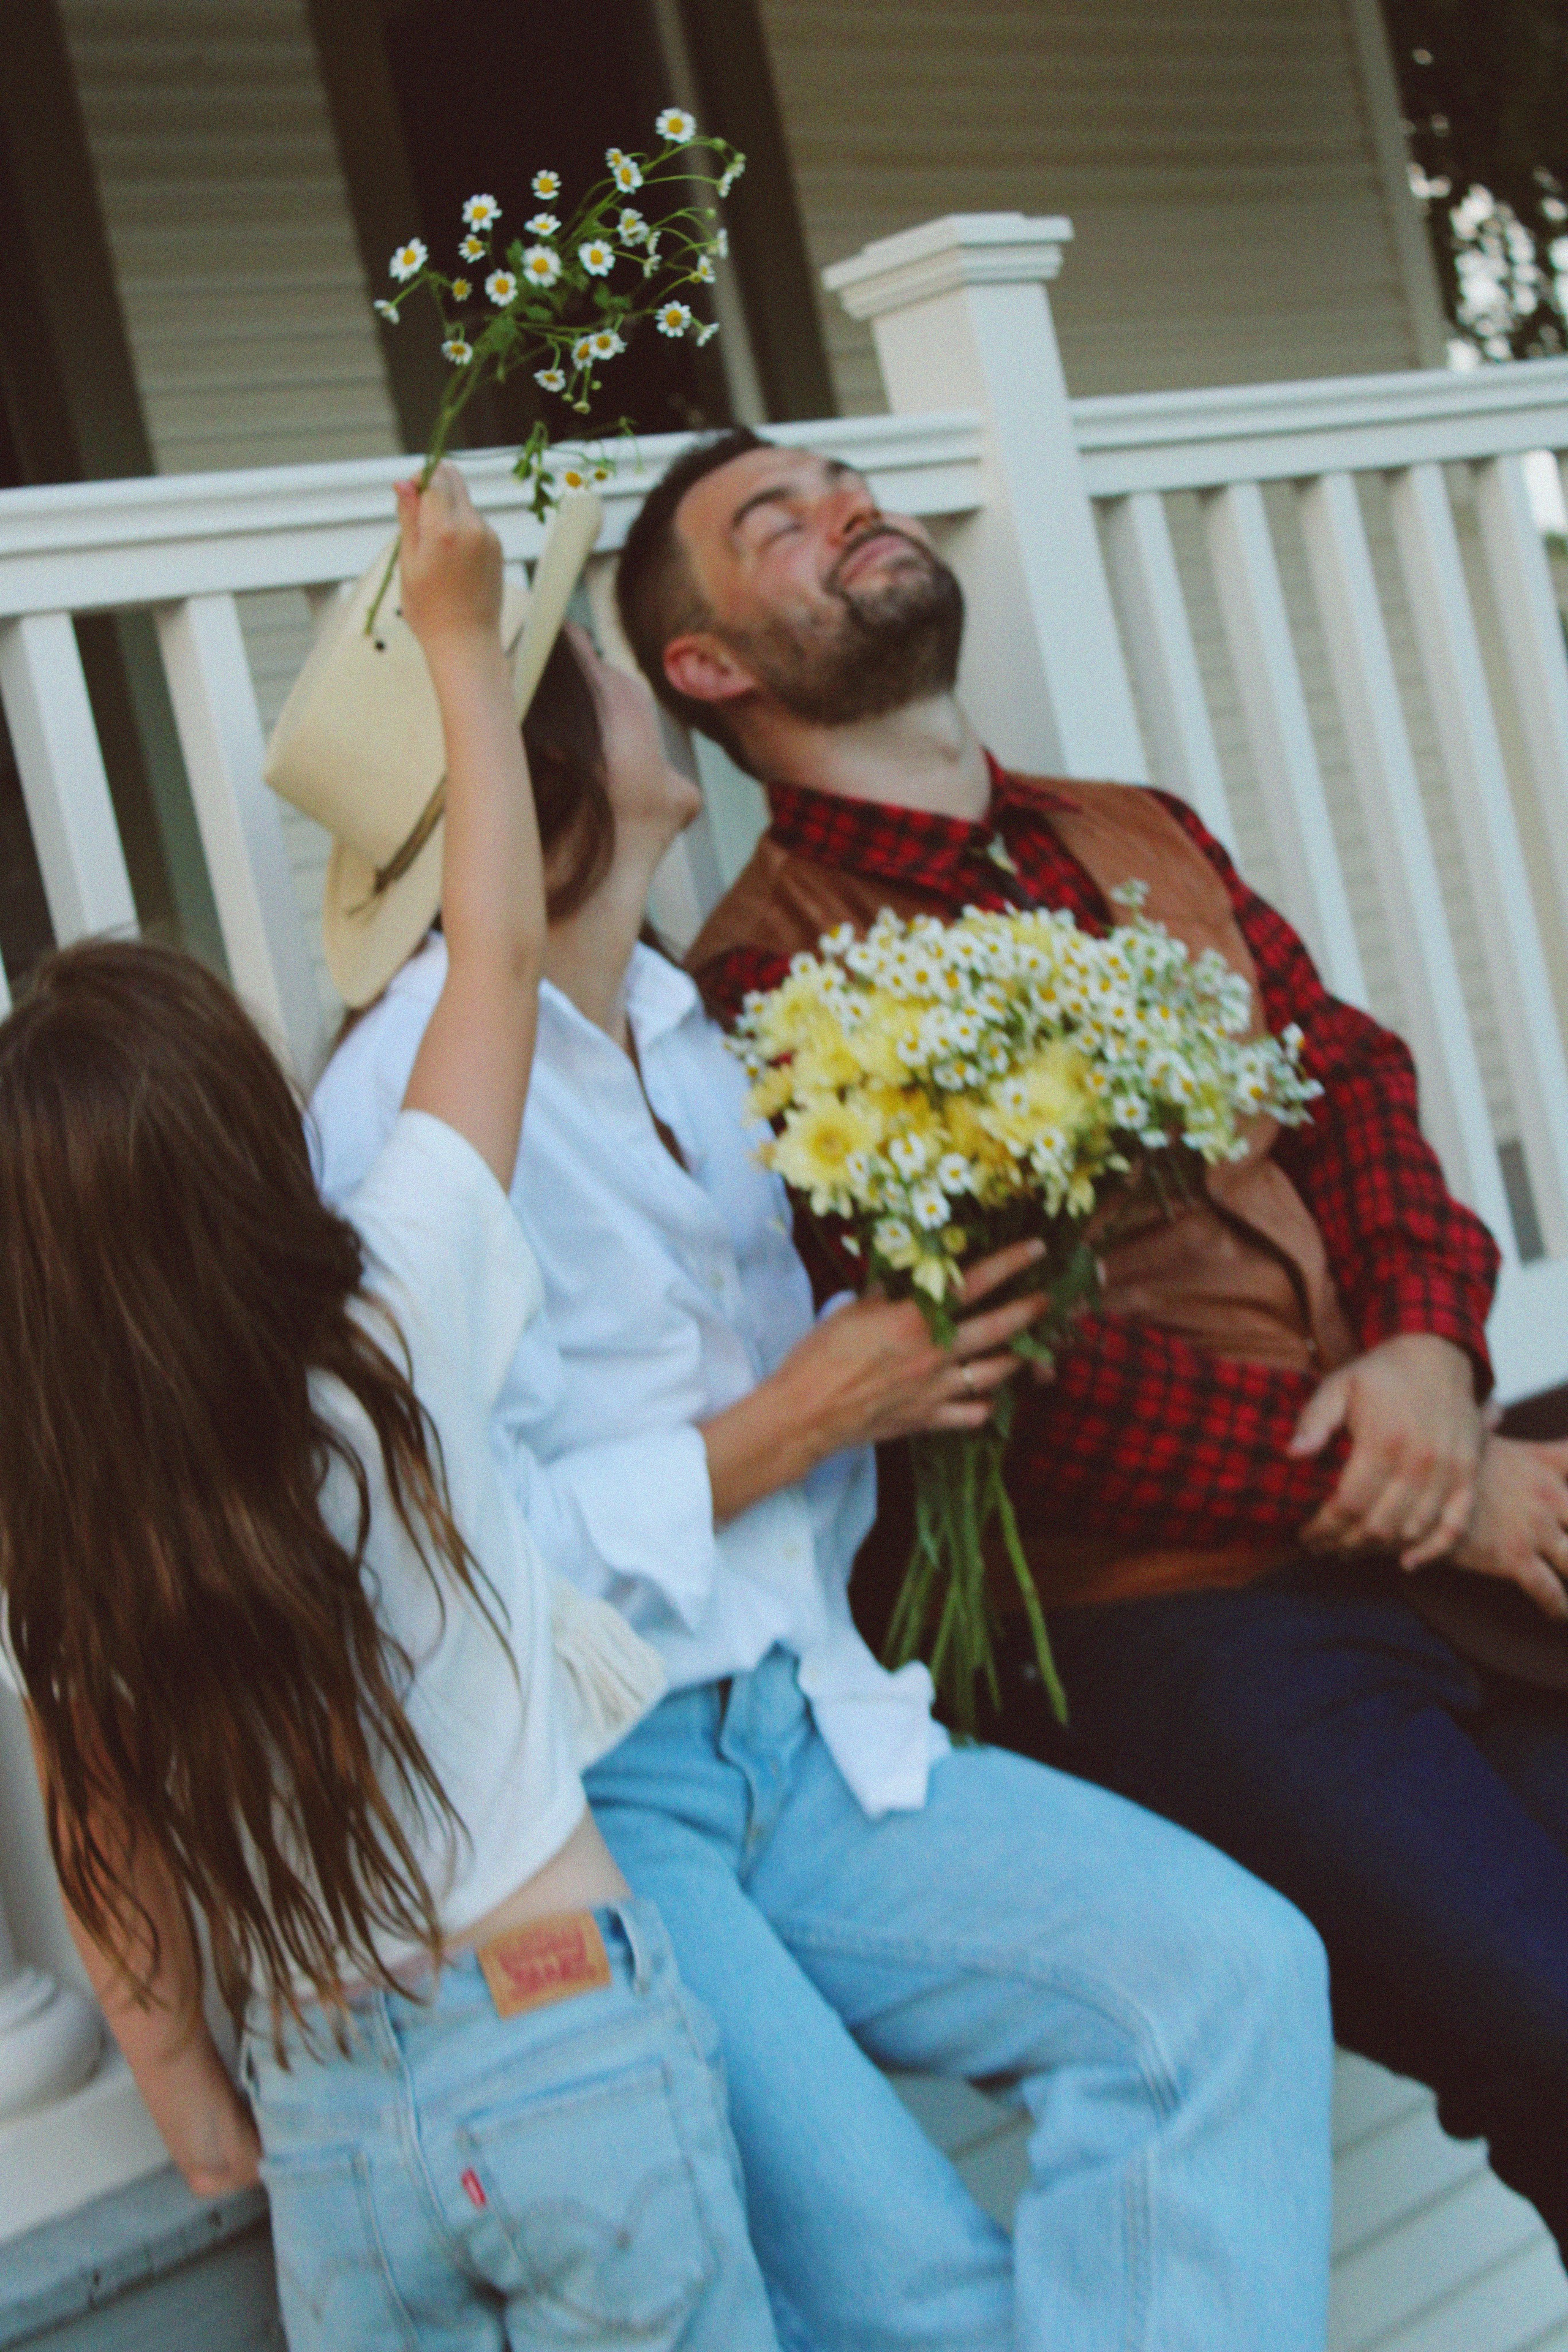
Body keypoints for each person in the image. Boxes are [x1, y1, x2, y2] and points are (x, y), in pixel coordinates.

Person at [312, 603, 1335, 2352]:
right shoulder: (403, 1111)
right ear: (550, 761)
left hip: (815, 1725)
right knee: (916, 2292)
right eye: (616, 679)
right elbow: (428, 1557)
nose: (655, 697)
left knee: (1229, 1980)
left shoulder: (710, 1035)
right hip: (596, 1804)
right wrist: (784, 1429)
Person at [609, 422, 1568, 2255]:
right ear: (705, 669)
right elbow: (993, 1382)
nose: (849, 512)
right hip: (1167, 1614)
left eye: (848, 484)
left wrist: (1436, 1360)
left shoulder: (1140, 832)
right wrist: (1432, 1486)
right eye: (778, 524)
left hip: (1415, 1496)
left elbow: (1349, 1082)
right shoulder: (766, 977)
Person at [0, 465, 780, 2352]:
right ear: (252, 1141)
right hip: (557, 2031)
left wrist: (187, 2099)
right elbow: (494, 953)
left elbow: (101, 1849)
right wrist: (454, 638)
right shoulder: (391, 1313)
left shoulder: (61, 1526)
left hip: (326, 2115)